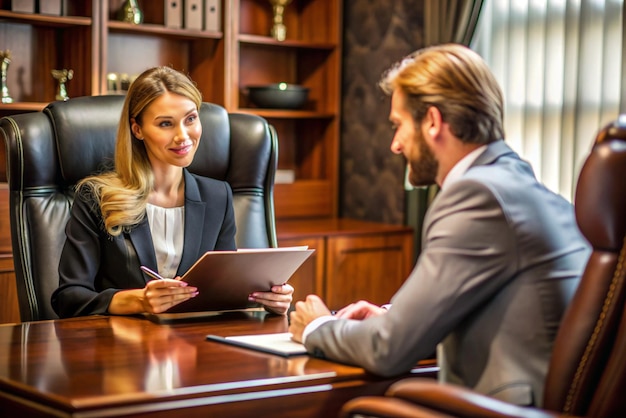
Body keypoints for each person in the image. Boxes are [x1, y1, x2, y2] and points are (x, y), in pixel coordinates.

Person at [288, 44, 590, 407]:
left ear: (432, 121)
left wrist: (318, 327)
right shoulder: (516, 184)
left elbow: (388, 348)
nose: (395, 145)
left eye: (398, 125)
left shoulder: (477, 196)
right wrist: (392, 316)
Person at [51, 66, 293, 318]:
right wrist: (139, 301)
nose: (183, 136)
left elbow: (224, 292)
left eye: (190, 119)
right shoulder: (97, 197)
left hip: (195, 346)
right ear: (137, 129)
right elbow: (69, 298)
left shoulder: (218, 196)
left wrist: (268, 299)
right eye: (165, 123)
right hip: (122, 346)